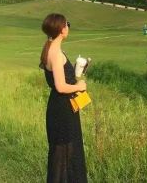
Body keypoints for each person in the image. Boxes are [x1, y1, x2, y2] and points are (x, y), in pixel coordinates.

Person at [39, 13, 88, 183]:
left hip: (59, 107)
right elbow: (60, 86)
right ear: (61, 29)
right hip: (62, 110)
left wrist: (74, 72)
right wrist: (79, 86)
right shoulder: (56, 54)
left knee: (63, 153)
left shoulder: (50, 48)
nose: (68, 27)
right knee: (65, 154)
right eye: (67, 24)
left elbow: (58, 79)